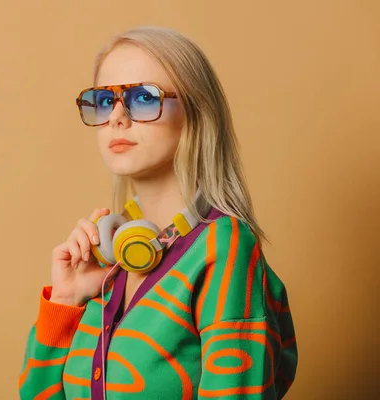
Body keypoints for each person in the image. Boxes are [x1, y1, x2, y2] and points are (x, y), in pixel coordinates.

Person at [18, 25, 298, 400]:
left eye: (143, 98)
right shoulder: (109, 257)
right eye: (104, 100)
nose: (117, 116)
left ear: (197, 114)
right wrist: (66, 302)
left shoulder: (223, 248)